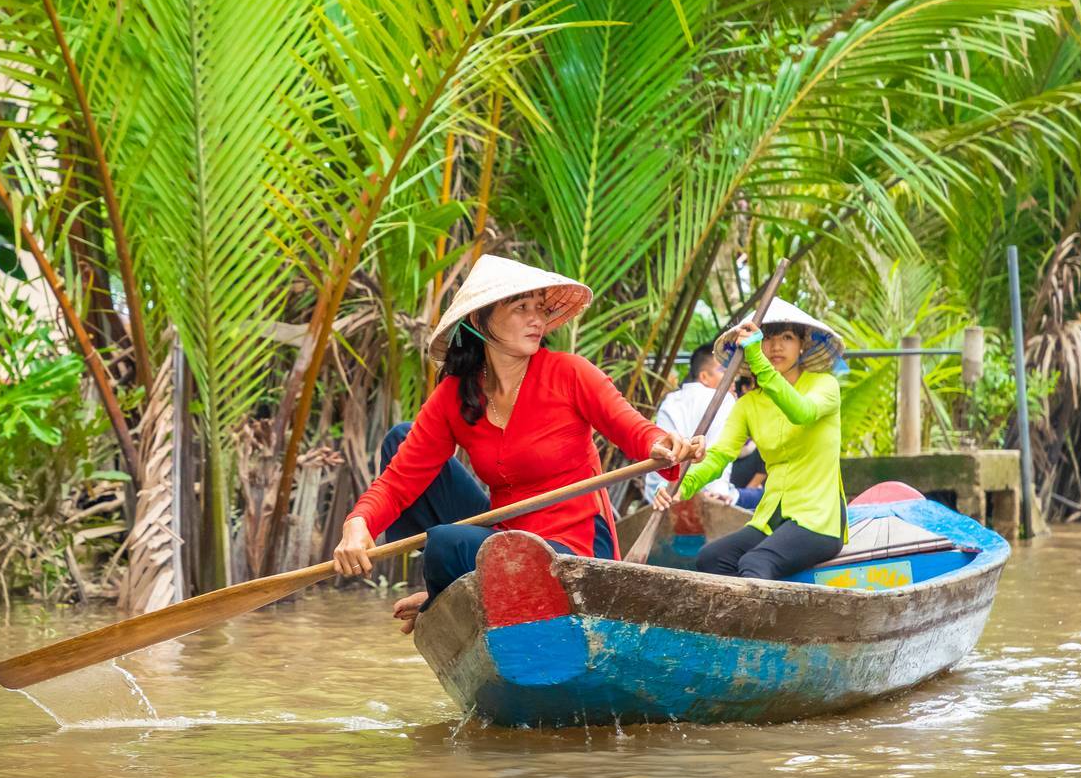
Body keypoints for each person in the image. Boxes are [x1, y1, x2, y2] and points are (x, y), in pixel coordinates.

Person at [331, 254, 704, 633]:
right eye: (520, 307)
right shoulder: (455, 395)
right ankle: (449, 587)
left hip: (572, 547)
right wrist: (358, 524)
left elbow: (636, 431)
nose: (536, 319)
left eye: (540, 308)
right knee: (400, 440)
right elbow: (399, 481)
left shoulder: (569, 373)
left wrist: (663, 445)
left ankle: (441, 591)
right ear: (480, 319)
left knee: (446, 543)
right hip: (502, 536)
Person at [656, 297, 847, 581]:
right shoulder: (748, 404)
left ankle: (769, 625)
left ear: (802, 344)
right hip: (771, 519)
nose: (776, 346)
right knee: (710, 559)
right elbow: (720, 454)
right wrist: (681, 485)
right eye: (767, 338)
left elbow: (802, 412)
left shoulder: (824, 385)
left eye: (787, 337)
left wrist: (757, 358)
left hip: (819, 520)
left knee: (756, 562)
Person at [643, 342, 738, 506]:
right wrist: (719, 491)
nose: (733, 379)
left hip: (659, 492)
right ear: (704, 377)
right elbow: (720, 454)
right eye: (724, 371)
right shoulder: (725, 399)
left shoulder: (670, 400)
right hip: (701, 490)